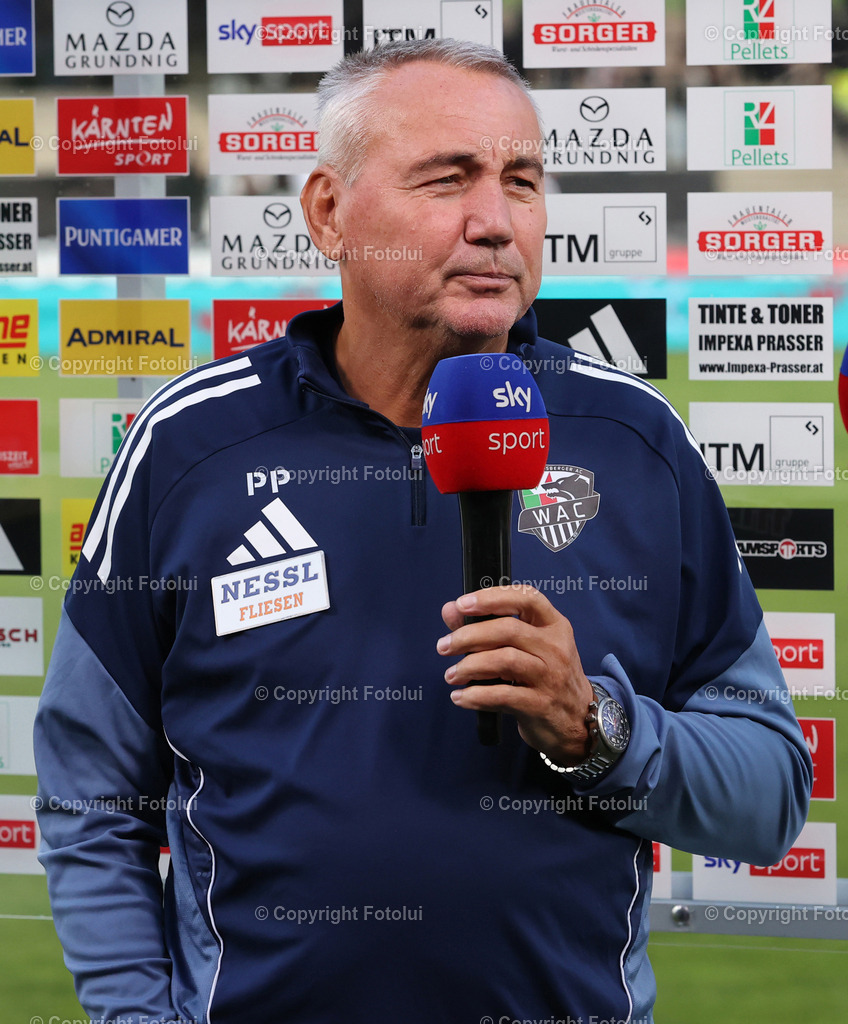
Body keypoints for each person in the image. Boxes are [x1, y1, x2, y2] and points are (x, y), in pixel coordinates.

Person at [34, 38, 812, 1024]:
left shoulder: (634, 444)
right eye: (447, 180)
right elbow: (92, 798)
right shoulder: (191, 447)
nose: (493, 221)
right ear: (326, 211)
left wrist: (595, 728)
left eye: (520, 182)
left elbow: (769, 790)